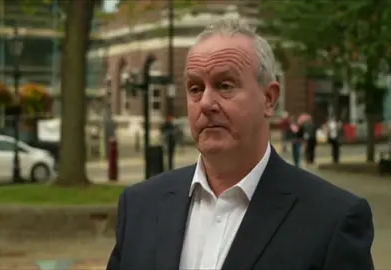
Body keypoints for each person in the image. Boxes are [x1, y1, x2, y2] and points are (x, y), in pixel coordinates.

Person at [107, 17, 373, 270]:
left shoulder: (332, 219)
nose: (207, 103)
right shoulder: (139, 206)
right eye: (196, 89)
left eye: (225, 86)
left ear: (269, 98)